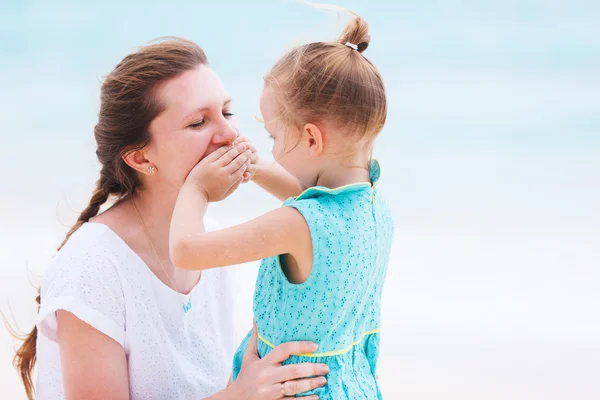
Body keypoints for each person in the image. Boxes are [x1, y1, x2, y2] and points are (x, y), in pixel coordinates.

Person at [12, 38, 328, 400]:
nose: (229, 134)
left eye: (226, 112)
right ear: (140, 158)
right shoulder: (93, 269)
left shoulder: (212, 246)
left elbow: (326, 211)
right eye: (198, 123)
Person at [169, 12, 394, 400]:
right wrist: (255, 167)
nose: (269, 146)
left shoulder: (296, 224)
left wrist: (196, 189)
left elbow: (186, 250)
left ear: (311, 139)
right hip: (349, 386)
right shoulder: (374, 206)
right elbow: (308, 199)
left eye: (273, 135)